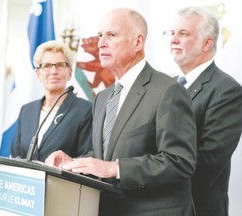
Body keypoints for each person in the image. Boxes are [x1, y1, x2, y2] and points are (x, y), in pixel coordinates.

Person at [46, 8, 197, 216]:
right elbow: (103, 155)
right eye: (100, 35)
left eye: (111, 35)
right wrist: (73, 162)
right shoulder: (102, 98)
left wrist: (115, 168)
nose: (100, 43)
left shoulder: (168, 90)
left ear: (138, 42)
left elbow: (180, 162)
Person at [168, 6, 242, 216]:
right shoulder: (165, 85)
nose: (173, 39)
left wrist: (149, 180)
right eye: (172, 33)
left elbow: (208, 162)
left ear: (207, 43)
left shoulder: (227, 91)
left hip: (195, 209)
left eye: (183, 34)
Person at [11, 40, 92, 162]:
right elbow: (15, 155)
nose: (53, 71)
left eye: (59, 65)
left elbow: (88, 157)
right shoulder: (27, 110)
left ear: (69, 73)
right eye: (47, 66)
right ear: (38, 74)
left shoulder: (85, 110)